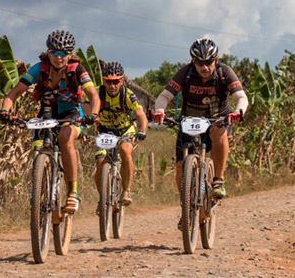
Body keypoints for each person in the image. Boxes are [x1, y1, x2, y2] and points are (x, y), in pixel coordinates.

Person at [0, 30, 100, 214]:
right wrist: (5, 110)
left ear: (70, 54)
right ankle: (41, 185)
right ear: (48, 52)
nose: (59, 57)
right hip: (46, 114)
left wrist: (92, 114)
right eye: (54, 52)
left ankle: (73, 193)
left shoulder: (78, 70)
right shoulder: (39, 69)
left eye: (63, 53)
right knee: (37, 146)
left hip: (71, 114)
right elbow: (14, 93)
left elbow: (94, 95)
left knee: (64, 138)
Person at [150, 38, 248, 227]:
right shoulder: (185, 73)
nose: (205, 67)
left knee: (219, 132)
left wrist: (238, 111)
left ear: (216, 59)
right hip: (189, 122)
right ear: (193, 61)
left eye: (209, 62)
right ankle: (186, 210)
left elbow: (240, 96)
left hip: (217, 120)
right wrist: (160, 110)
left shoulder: (224, 72)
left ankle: (218, 179)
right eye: (200, 63)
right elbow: (164, 96)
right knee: (180, 169)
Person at [93, 62, 148, 208]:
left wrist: (142, 131)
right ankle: (102, 198)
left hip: (125, 130)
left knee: (125, 150)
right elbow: (86, 111)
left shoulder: (127, 95)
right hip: (104, 131)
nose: (112, 86)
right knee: (99, 162)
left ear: (122, 80)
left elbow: (141, 115)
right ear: (103, 80)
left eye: (116, 81)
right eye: (108, 81)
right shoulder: (98, 94)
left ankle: (126, 191)